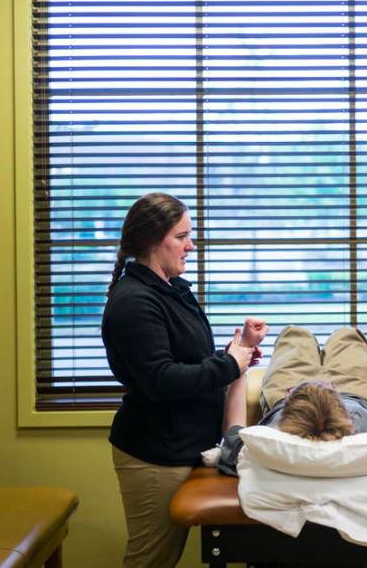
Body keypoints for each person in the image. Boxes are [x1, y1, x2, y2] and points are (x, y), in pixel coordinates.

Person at [101, 192, 267, 567]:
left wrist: (235, 353)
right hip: (154, 454)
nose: (191, 245)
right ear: (152, 240)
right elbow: (161, 378)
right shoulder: (134, 302)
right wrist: (229, 364)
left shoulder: (170, 290)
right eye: (181, 236)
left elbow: (186, 361)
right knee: (152, 560)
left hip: (182, 446)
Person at [215, 325, 367, 477]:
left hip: (300, 394)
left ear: (289, 397)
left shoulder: (265, 442)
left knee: (293, 335)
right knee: (348, 336)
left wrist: (240, 361)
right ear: (344, 409)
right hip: (356, 391)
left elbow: (233, 429)